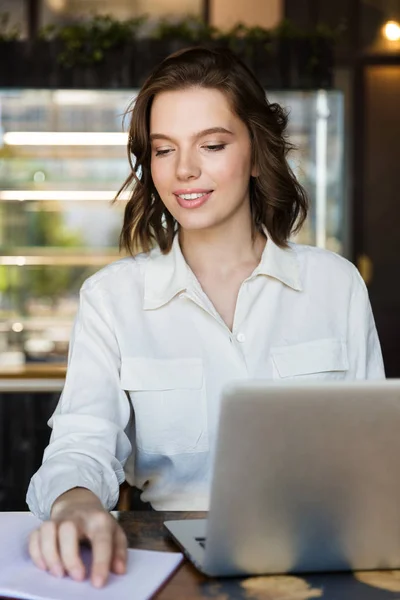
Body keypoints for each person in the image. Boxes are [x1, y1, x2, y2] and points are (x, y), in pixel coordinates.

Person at [26, 46, 385, 587]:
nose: (185, 170)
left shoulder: (335, 284)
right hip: (168, 560)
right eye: (164, 150)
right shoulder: (112, 299)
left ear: (256, 150)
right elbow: (81, 442)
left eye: (212, 145)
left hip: (324, 552)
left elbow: (378, 457)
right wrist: (75, 502)